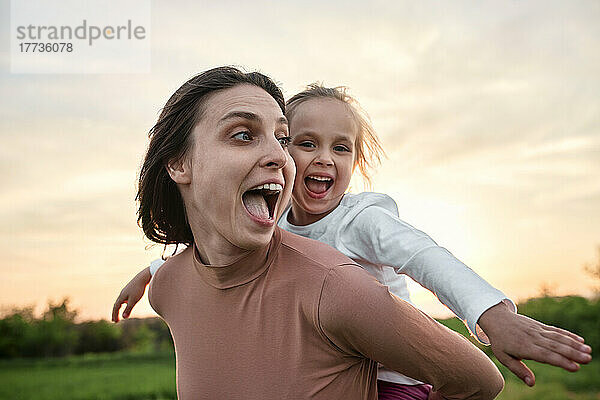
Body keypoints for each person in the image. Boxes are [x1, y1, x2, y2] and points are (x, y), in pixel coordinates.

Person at [115, 66, 505, 400]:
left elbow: (426, 259)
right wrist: (151, 271)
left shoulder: (337, 278)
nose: (279, 156)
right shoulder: (167, 288)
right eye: (243, 134)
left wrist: (490, 312)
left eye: (281, 139)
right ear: (178, 164)